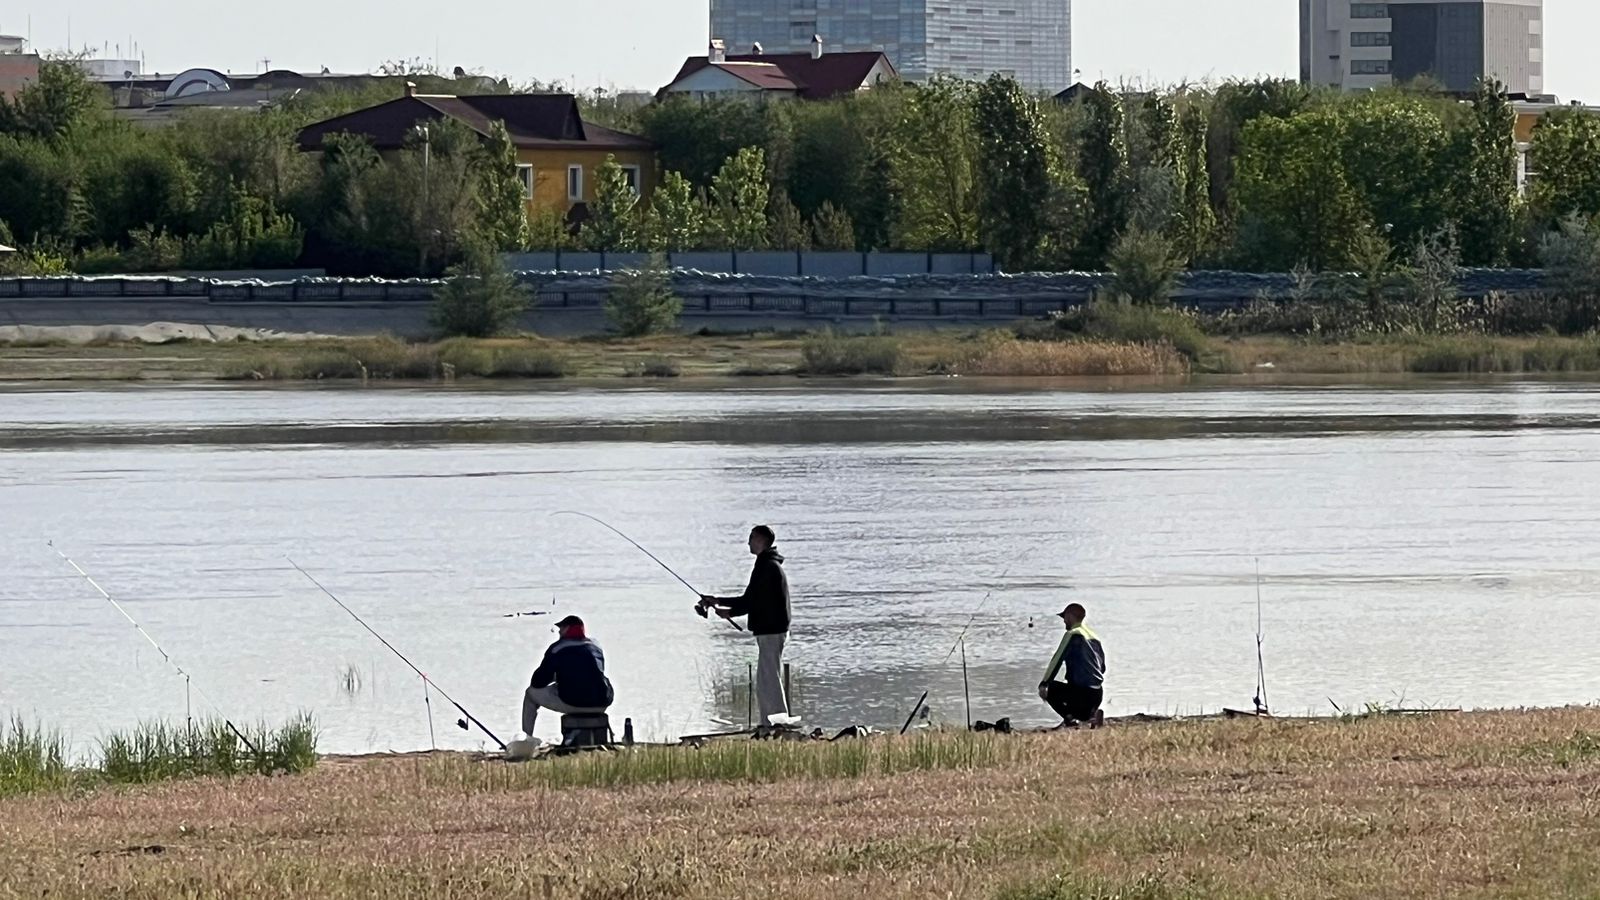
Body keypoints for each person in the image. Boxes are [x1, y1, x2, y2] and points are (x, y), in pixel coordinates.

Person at [698, 525, 791, 725]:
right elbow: (750, 598)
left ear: (761, 540)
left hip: (771, 631)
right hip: (770, 630)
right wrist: (718, 601)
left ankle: (777, 723)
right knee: (766, 678)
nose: (748, 542)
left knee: (769, 679)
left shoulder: (767, 567)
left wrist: (729, 612)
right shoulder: (766, 564)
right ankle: (770, 722)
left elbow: (754, 601)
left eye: (751, 538)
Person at [522, 615, 614, 736]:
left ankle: (526, 737)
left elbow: (537, 682)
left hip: (572, 703)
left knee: (530, 694)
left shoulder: (557, 648)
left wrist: (556, 676)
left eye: (561, 628)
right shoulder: (596, 646)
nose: (559, 631)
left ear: (567, 629)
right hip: (602, 703)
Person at [1038, 602, 1106, 729]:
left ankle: (1070, 719)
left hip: (1082, 693)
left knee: (1050, 688)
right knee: (1075, 694)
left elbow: (1056, 660)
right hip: (1097, 694)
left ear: (1069, 616)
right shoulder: (1094, 637)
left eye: (1064, 618)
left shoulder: (1072, 634)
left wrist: (1044, 683)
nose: (1064, 622)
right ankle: (1092, 714)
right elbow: (1102, 668)